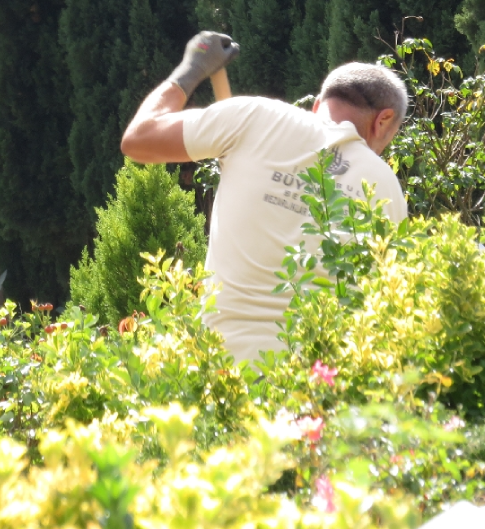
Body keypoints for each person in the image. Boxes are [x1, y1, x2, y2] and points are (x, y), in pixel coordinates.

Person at [120, 31, 408, 362]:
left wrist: (193, 68)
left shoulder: (253, 117)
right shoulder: (386, 187)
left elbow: (138, 139)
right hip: (323, 388)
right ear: (383, 120)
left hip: (224, 376)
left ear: (317, 106)